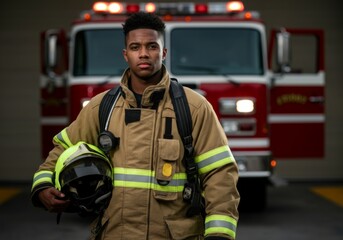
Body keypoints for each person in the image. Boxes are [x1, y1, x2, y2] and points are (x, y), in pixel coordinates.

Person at [31, 12, 240, 240]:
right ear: (125, 54)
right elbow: (62, 149)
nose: (143, 54)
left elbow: (220, 175)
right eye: (135, 47)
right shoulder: (101, 107)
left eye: (152, 46)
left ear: (164, 52)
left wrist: (219, 233)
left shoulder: (194, 108)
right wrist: (42, 186)